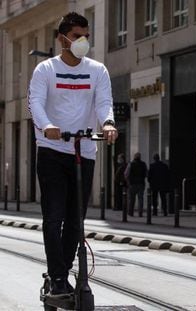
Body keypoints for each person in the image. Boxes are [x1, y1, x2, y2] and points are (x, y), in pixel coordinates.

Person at [28, 12, 117, 296]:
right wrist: (47, 125)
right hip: (52, 150)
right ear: (62, 38)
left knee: (76, 221)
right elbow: (36, 104)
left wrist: (109, 123)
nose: (83, 42)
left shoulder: (97, 70)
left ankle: (62, 272)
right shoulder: (45, 70)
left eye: (86, 36)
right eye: (77, 36)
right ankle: (56, 278)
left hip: (84, 151)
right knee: (54, 217)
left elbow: (104, 102)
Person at [124, 152, 147, 217]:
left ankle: (130, 212)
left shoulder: (131, 164)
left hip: (132, 184)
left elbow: (126, 174)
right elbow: (146, 174)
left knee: (131, 199)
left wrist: (128, 181)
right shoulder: (143, 164)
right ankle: (140, 213)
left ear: (134, 157)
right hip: (141, 184)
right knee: (140, 199)